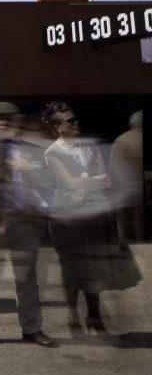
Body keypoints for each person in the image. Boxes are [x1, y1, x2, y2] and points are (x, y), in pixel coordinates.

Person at [42, 102, 141, 339]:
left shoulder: (89, 148)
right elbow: (70, 183)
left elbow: (105, 180)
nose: (76, 124)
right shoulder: (52, 153)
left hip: (94, 215)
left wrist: (88, 181)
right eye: (70, 121)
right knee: (71, 268)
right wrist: (90, 180)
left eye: (76, 119)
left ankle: (94, 315)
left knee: (94, 267)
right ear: (57, 127)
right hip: (66, 219)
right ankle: (73, 315)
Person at [0, 102, 57, 348]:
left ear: (17, 121)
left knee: (27, 279)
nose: (4, 123)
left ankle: (32, 328)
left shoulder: (30, 147)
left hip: (24, 220)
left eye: (9, 119)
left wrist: (30, 170)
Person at [110, 111, 143, 242]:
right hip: (139, 186)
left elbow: (113, 165)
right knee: (139, 219)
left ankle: (122, 244)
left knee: (121, 218)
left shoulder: (121, 140)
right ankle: (140, 243)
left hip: (122, 186)